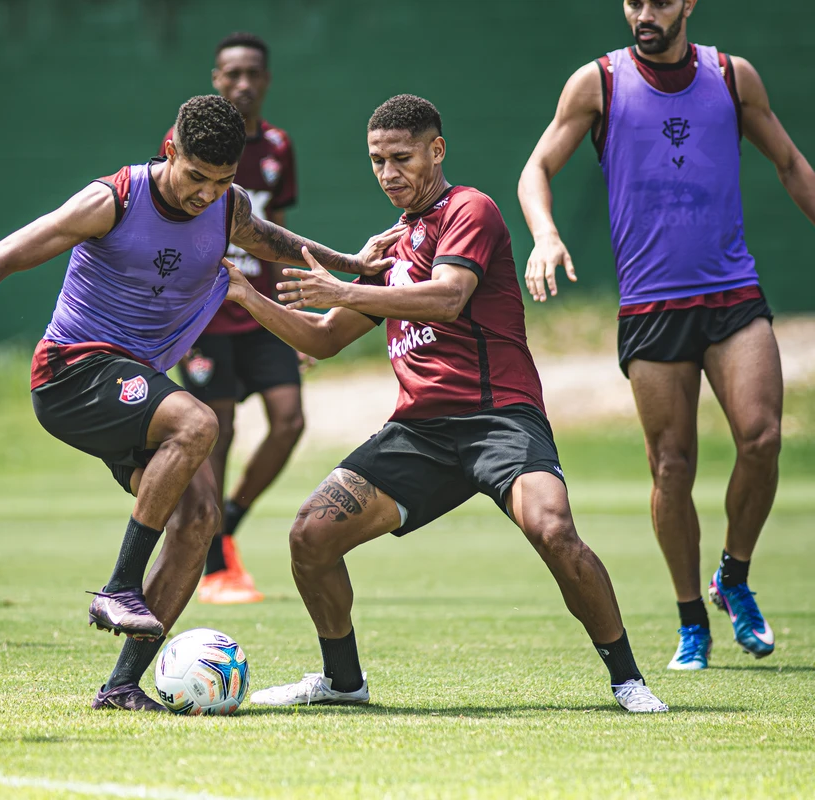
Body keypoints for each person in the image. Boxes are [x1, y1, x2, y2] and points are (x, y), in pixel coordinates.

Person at [0, 95, 399, 712]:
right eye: (195, 176)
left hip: (131, 384)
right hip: (71, 372)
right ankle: (119, 585)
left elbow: (271, 241)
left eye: (221, 181)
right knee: (199, 421)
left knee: (200, 520)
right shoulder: (113, 200)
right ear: (170, 150)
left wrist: (352, 263)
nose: (204, 194)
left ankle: (122, 685)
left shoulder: (227, 207)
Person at [235, 95, 668, 713]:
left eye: (402, 158)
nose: (389, 173)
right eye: (377, 161)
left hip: (499, 418)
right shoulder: (391, 244)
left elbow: (447, 297)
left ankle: (627, 678)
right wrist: (245, 294)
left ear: (436, 150)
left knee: (553, 529)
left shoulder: (472, 209)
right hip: (420, 433)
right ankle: (343, 682)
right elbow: (325, 339)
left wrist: (344, 287)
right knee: (310, 536)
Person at [517, 0, 815, 669]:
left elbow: (792, 166)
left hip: (733, 293)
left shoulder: (733, 77)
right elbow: (535, 169)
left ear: (687, 4)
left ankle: (733, 577)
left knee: (763, 438)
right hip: (652, 305)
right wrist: (545, 234)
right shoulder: (598, 81)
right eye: (632, 2)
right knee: (672, 466)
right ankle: (691, 623)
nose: (642, 13)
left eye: (657, 1)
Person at [159, 33, 302, 605]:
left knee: (289, 420)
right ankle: (214, 560)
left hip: (258, 308)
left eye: (253, 74)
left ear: (266, 80)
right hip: (206, 315)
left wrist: (295, 314)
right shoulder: (188, 142)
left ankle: (228, 523)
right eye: (232, 74)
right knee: (215, 431)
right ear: (216, 79)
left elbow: (278, 232)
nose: (243, 84)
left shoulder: (277, 146)